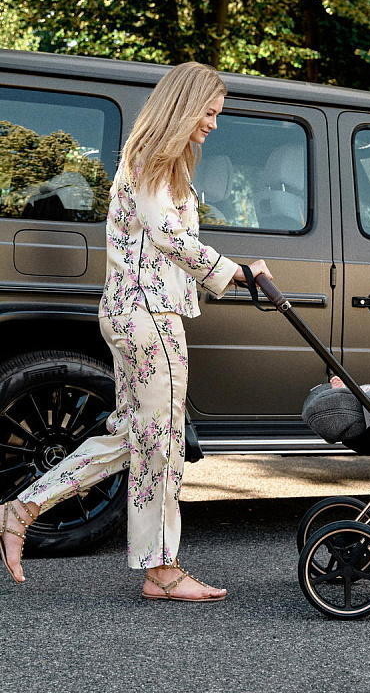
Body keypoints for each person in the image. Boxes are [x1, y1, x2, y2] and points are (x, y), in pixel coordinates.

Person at [0, 61, 272, 602]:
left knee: (134, 434)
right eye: (209, 112)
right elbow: (169, 235)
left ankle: (21, 509)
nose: (214, 124)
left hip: (132, 314)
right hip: (149, 317)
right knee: (162, 442)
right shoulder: (153, 161)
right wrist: (236, 272)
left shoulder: (152, 161)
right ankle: (161, 570)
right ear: (184, 106)